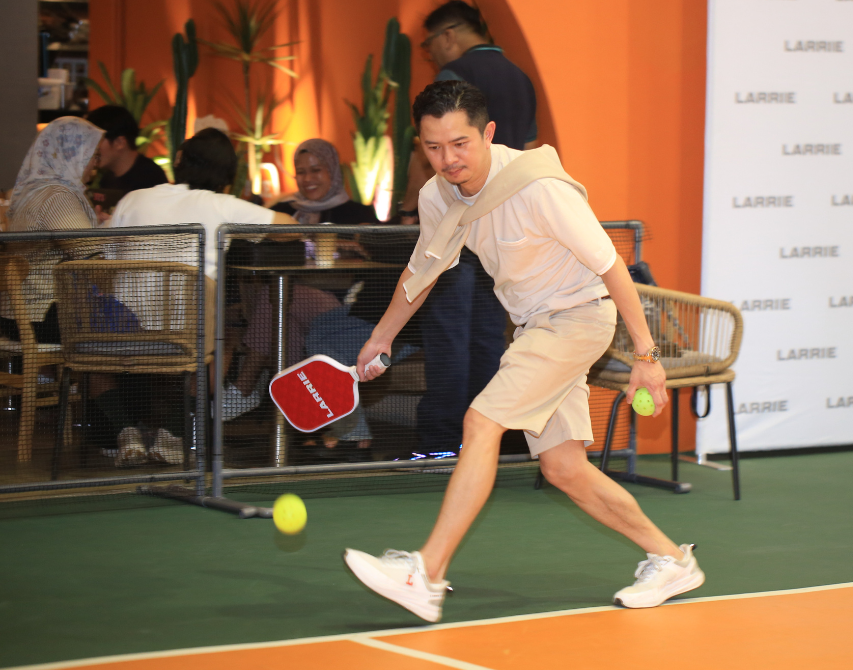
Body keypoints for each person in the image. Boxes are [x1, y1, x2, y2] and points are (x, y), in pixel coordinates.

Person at [343, 81, 703, 623]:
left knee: (481, 421)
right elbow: (422, 272)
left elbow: (611, 265)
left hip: (580, 318)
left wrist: (647, 360)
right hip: (535, 327)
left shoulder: (537, 187)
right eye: (435, 147)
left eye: (461, 144)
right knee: (563, 468)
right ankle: (672, 560)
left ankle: (427, 573)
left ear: (488, 133)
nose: (449, 159)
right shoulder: (438, 195)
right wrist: (382, 337)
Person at [402, 1, 540, 457]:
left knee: (447, 334)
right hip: (505, 231)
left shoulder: (452, 79)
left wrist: (409, 208)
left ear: (447, 36)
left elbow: (431, 155)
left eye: (429, 45)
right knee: (487, 337)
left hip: (457, 224)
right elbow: (532, 152)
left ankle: (440, 443)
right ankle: (484, 441)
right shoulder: (520, 77)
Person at [108, 128, 297, 454]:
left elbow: (106, 259)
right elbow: (290, 229)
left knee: (208, 325)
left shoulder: (132, 199)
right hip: (184, 337)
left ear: (180, 161)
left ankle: (126, 432)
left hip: (118, 334)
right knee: (226, 335)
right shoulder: (221, 205)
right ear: (228, 174)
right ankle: (176, 432)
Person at [227, 139, 378, 423]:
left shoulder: (358, 214)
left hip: (340, 305)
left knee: (283, 299)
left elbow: (370, 264)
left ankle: (243, 390)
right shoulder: (284, 210)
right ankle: (298, 413)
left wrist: (345, 247)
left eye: (316, 170)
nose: (308, 179)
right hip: (282, 301)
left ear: (332, 170)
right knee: (283, 313)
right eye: (301, 172)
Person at [1, 116, 104, 345]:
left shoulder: (30, 191)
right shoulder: (57, 195)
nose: (96, 165)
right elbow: (92, 257)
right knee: (124, 328)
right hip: (43, 314)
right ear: (72, 154)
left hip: (15, 313)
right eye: (93, 155)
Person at [86, 105, 168, 196]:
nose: (89, 148)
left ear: (119, 143)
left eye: (95, 141)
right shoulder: (107, 179)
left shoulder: (151, 179)